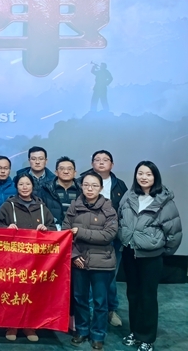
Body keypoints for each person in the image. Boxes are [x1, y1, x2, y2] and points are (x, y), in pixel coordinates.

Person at [118, 161, 182, 351]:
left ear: (155, 177)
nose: (144, 177)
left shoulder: (164, 201)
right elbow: (120, 219)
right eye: (140, 173)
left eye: (148, 174)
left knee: (148, 296)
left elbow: (174, 233)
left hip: (151, 258)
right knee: (132, 294)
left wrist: (159, 250)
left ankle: (147, 337)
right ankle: (135, 331)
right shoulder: (129, 196)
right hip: (130, 253)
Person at [0, 173, 56, 342]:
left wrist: (46, 229)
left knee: (33, 293)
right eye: (21, 184)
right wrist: (7, 228)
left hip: (37, 259)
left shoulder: (42, 207)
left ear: (32, 186)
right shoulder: (8, 205)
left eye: (27, 184)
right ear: (16, 186)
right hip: (14, 258)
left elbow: (53, 227)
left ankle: (30, 326)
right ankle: (12, 325)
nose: (24, 187)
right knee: (13, 292)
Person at [63, 171, 118, 350]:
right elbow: (65, 232)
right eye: (86, 185)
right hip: (79, 260)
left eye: (94, 185)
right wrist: (74, 256)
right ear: (81, 186)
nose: (90, 189)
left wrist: (81, 232)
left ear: (101, 188)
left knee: (100, 302)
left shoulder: (108, 208)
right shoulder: (74, 206)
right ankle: (82, 330)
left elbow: (109, 235)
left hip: (102, 262)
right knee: (80, 299)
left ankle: (98, 334)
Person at [82, 150, 128, 326]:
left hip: (112, 238)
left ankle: (110, 309)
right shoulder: (83, 181)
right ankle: (89, 312)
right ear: (92, 163)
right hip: (88, 237)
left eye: (105, 160)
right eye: (97, 159)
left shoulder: (119, 185)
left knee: (109, 276)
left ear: (112, 164)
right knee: (88, 276)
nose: (101, 162)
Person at [38, 156, 82, 228]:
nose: (66, 172)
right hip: (52, 231)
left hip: (76, 230)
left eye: (69, 169)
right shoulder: (46, 190)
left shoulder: (82, 190)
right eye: (62, 169)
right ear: (56, 172)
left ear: (75, 173)